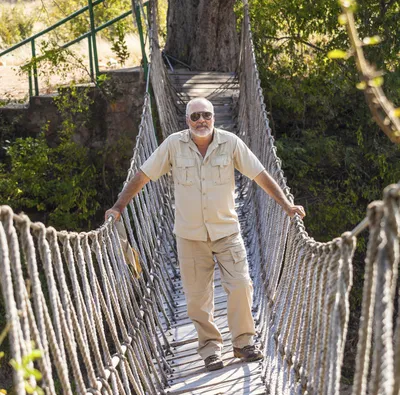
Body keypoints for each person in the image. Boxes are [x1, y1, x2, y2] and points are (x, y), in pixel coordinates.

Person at [105, 97, 305, 372]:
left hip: (227, 231)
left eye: (206, 115)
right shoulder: (173, 145)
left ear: (213, 118)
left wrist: (286, 205)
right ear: (187, 121)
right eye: (195, 116)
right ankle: (211, 349)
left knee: (241, 285)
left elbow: (260, 174)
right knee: (198, 299)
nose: (201, 120)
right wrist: (118, 207)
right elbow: (143, 176)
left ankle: (244, 343)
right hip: (190, 237)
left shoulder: (231, 143)